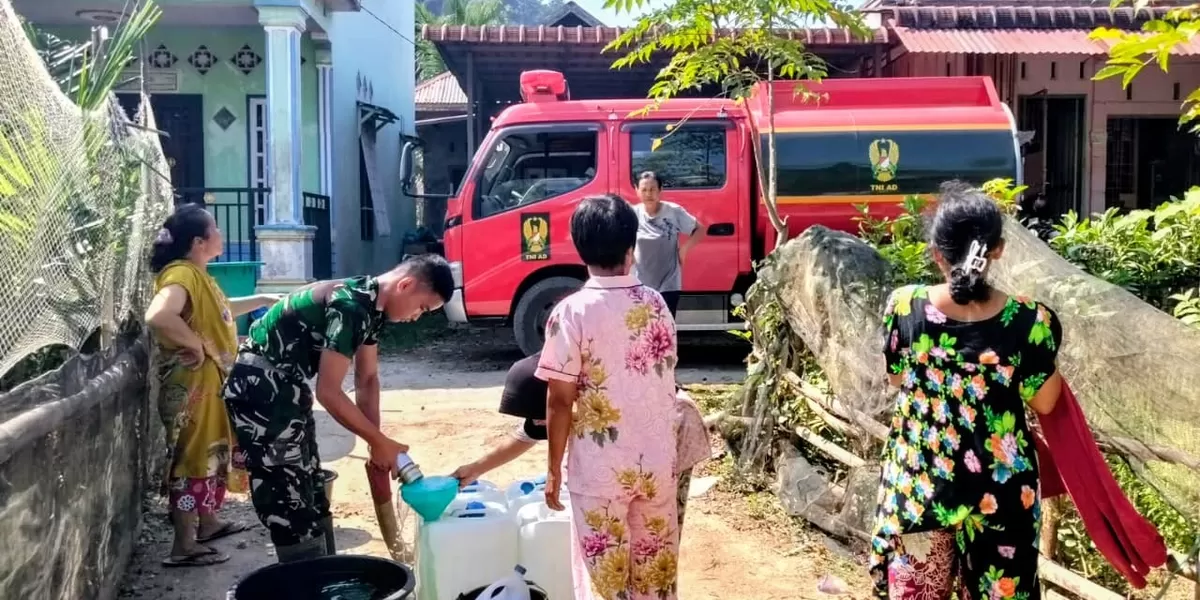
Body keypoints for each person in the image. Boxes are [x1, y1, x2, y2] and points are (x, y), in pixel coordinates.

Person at [869, 181, 1064, 599]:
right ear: (998, 250)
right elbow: (1047, 401)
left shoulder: (906, 308)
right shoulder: (1029, 323)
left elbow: (897, 378)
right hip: (1002, 499)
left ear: (937, 252)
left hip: (920, 490)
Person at [221, 254, 454, 563]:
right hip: (261, 389)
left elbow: (367, 378)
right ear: (406, 284)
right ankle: (304, 586)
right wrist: (381, 442)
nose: (417, 317)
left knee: (314, 493)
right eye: (422, 307)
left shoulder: (371, 305)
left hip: (286, 388)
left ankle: (327, 579)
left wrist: (376, 443)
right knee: (289, 505)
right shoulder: (350, 306)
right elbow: (329, 392)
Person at [537, 194, 681, 600]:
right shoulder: (656, 305)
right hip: (656, 463)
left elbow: (560, 400)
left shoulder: (571, 313)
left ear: (580, 249)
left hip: (600, 472)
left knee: (604, 585)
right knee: (655, 577)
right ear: (630, 247)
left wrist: (552, 470)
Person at [144, 204, 281, 567]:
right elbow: (159, 315)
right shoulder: (182, 275)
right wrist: (194, 344)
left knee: (210, 453)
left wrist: (265, 300)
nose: (221, 234)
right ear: (199, 241)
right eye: (216, 229)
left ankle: (208, 524)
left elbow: (221, 310)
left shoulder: (198, 275)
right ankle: (183, 545)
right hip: (194, 386)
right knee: (193, 458)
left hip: (209, 383)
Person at [450, 353, 710, 533]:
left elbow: (624, 433)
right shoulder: (558, 383)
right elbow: (524, 436)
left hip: (670, 427)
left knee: (659, 526)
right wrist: (474, 469)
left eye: (543, 418)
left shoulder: (600, 389)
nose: (539, 424)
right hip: (627, 443)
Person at [632, 171, 706, 318]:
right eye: (644, 190)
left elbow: (700, 229)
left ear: (660, 190)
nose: (648, 194)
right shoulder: (633, 214)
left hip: (669, 283)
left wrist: (684, 249)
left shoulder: (673, 211)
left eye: (653, 189)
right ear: (637, 190)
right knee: (643, 330)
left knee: (665, 328)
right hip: (641, 284)